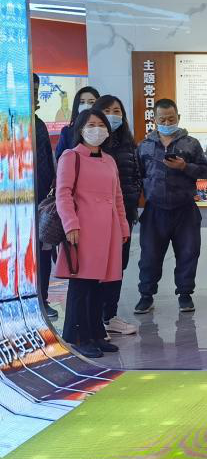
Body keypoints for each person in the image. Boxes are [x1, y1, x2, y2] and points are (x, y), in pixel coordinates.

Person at [56, 109, 130, 358]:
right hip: (83, 230)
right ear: (80, 129)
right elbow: (63, 194)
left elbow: (117, 196)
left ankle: (97, 333)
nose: (96, 129)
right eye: (91, 124)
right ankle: (77, 336)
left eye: (101, 124)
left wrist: (123, 226)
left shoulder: (109, 160)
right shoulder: (71, 156)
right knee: (82, 284)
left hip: (108, 230)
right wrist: (70, 225)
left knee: (100, 284)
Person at [135, 99, 207, 315]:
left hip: (185, 209)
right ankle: (146, 296)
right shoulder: (144, 145)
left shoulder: (191, 144)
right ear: (154, 119)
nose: (167, 123)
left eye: (171, 119)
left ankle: (185, 294)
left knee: (188, 253)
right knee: (149, 256)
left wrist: (185, 166)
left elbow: (205, 172)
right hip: (154, 209)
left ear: (178, 118)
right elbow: (137, 176)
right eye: (162, 119)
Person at [91, 95, 141, 336]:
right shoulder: (93, 144)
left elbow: (135, 175)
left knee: (118, 266)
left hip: (124, 215)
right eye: (108, 110)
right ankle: (93, 318)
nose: (113, 115)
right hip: (97, 217)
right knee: (96, 267)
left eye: (117, 111)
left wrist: (132, 198)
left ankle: (109, 316)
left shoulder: (128, 142)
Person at [33, 74, 57, 320]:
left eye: (36, 91)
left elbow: (47, 164)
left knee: (43, 252)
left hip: (40, 203)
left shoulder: (39, 124)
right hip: (11, 205)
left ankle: (42, 299)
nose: (33, 96)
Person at [55, 85, 99, 159]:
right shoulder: (67, 131)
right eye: (82, 102)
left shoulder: (103, 130)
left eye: (91, 102)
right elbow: (60, 158)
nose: (86, 105)